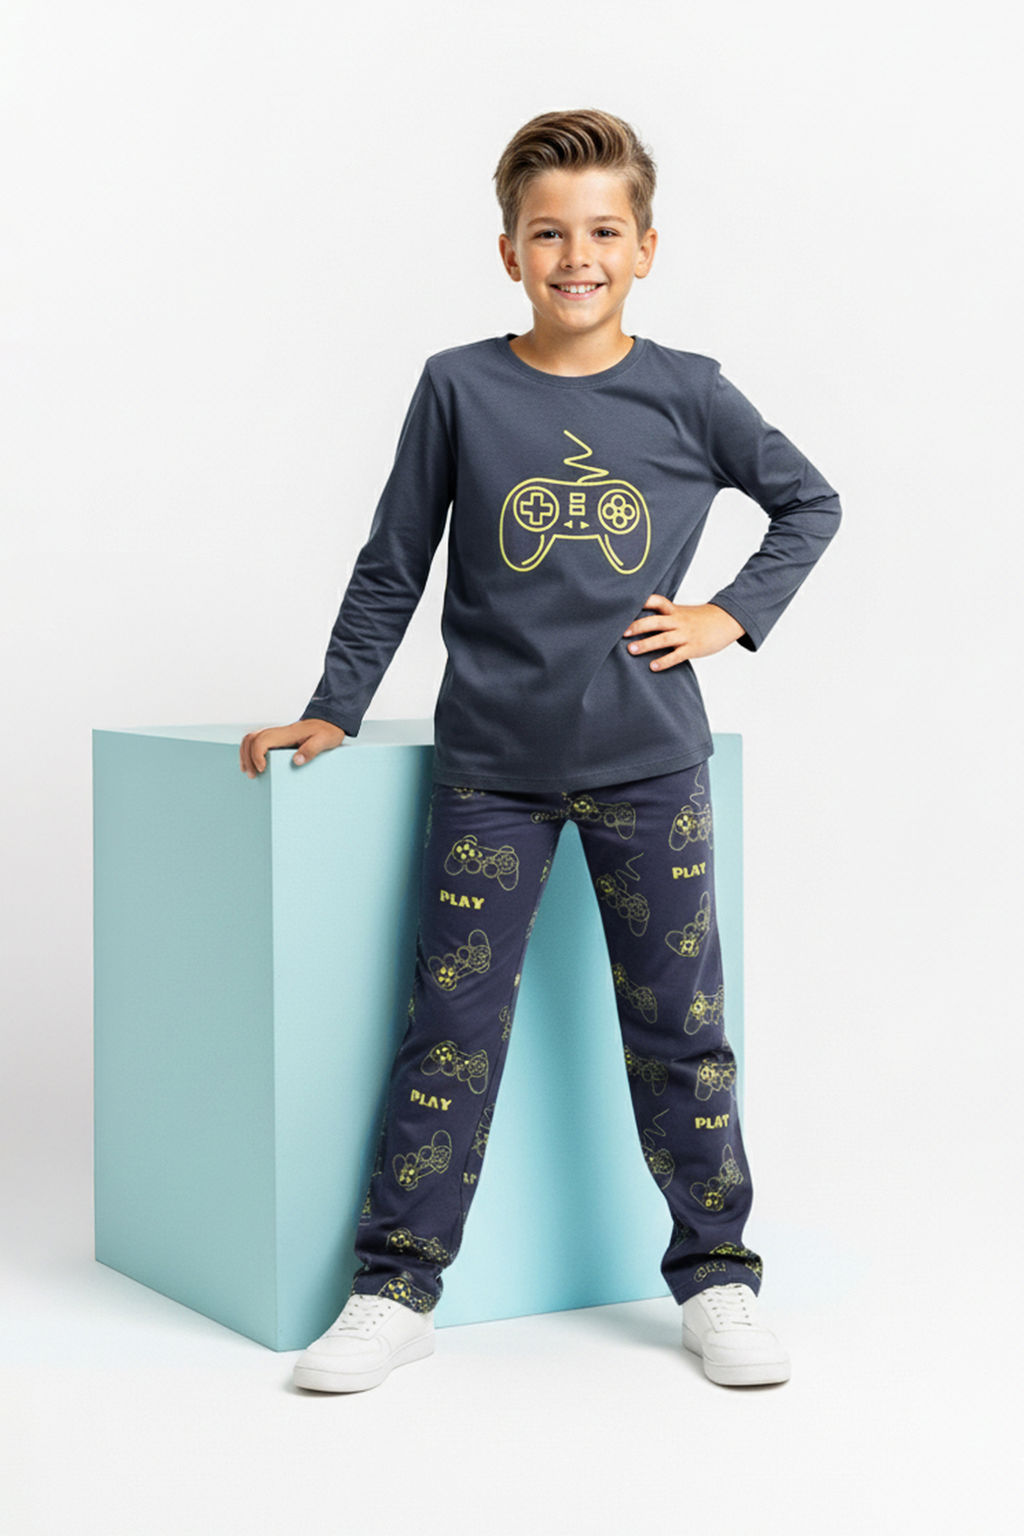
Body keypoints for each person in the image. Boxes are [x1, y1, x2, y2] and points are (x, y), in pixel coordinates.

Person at [239, 107, 842, 1393]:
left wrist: (729, 615)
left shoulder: (689, 390)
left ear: (646, 248)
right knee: (448, 1031)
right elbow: (395, 559)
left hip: (651, 765)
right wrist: (337, 704)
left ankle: (718, 1279)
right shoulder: (460, 386)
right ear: (509, 251)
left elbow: (809, 501)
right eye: (549, 233)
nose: (578, 256)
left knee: (681, 1032)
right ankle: (396, 1287)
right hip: (491, 775)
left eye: (604, 231)